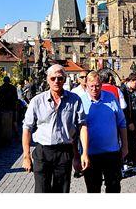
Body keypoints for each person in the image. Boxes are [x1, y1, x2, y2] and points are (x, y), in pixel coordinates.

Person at [22, 65, 89, 193]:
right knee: (41, 191)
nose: (56, 81)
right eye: (53, 78)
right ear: (47, 79)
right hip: (43, 152)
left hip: (64, 151)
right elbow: (27, 128)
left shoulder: (74, 100)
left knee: (62, 192)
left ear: (64, 79)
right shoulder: (37, 101)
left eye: (60, 78)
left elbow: (81, 127)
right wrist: (26, 156)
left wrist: (81, 154)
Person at [80, 71, 128, 193]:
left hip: (111, 152)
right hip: (90, 154)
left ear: (101, 85)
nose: (94, 89)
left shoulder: (110, 97)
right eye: (91, 86)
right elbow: (76, 129)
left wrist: (125, 147)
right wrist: (78, 154)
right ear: (86, 85)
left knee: (114, 187)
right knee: (93, 189)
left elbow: (122, 123)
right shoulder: (80, 101)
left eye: (97, 85)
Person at [121, 73, 136, 174]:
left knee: (134, 142)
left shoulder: (134, 91)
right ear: (130, 81)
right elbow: (123, 109)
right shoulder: (123, 91)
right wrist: (128, 122)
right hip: (127, 122)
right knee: (127, 142)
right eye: (135, 83)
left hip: (135, 120)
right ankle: (128, 163)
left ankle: (134, 163)